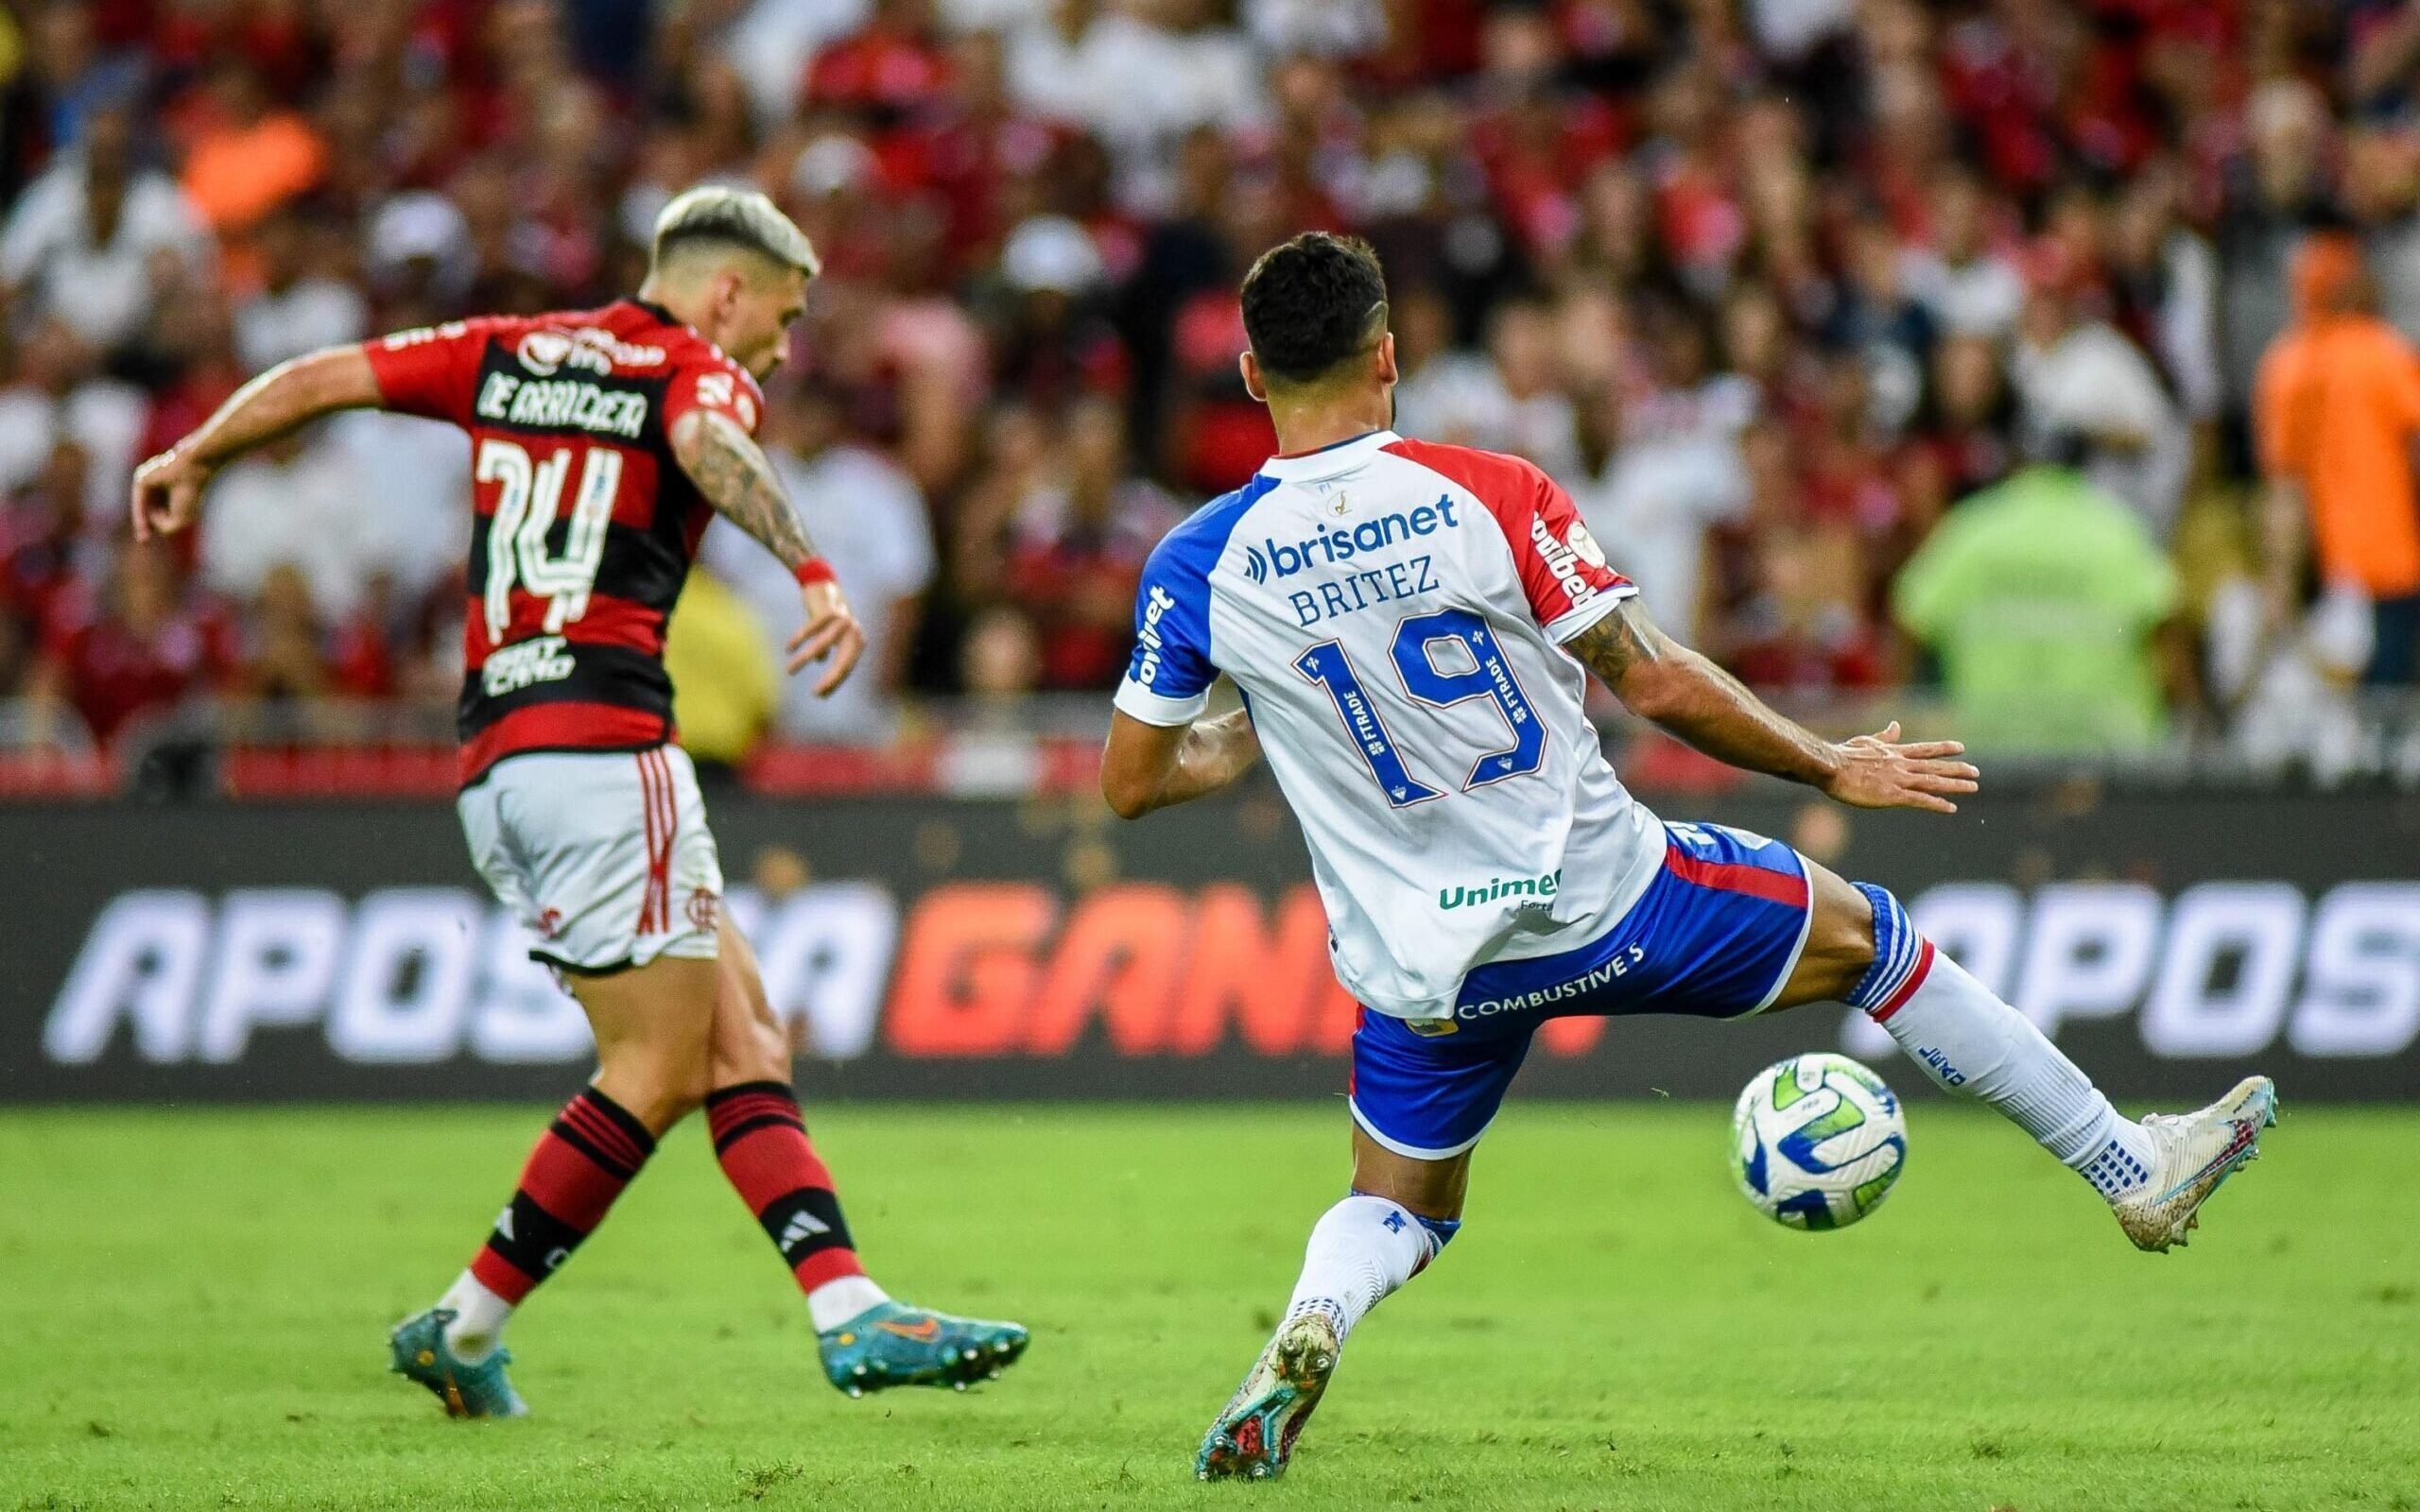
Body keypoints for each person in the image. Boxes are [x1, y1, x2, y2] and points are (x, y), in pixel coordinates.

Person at [1096, 233, 2276, 1483]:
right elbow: (1652, 676)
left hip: (1425, 968)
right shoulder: (1495, 492)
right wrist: (1828, 763)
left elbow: (1131, 784)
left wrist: (1253, 727)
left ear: (1248, 376)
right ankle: (2129, 1169)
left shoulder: (1201, 562)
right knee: (1874, 941)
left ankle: (1308, 1324)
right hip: (1611, 898)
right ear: (1390, 357)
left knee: (1400, 1205)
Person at [128, 185, 1028, 1419]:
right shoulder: (693, 371)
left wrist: (193, 451)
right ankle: (465, 1319)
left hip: (499, 763)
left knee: (740, 1034)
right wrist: (813, 567)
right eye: (781, 311)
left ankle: (847, 1307)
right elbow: (714, 444)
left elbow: (322, 375)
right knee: (655, 1066)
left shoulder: (505, 353)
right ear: (723, 291)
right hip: (609, 747)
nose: (781, 342)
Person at [2255, 232, 2420, 687]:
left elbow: (2280, 476)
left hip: (2313, 562)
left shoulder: (2282, 363)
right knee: (2383, 714)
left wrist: (2279, 568)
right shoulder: (2381, 352)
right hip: (2386, 557)